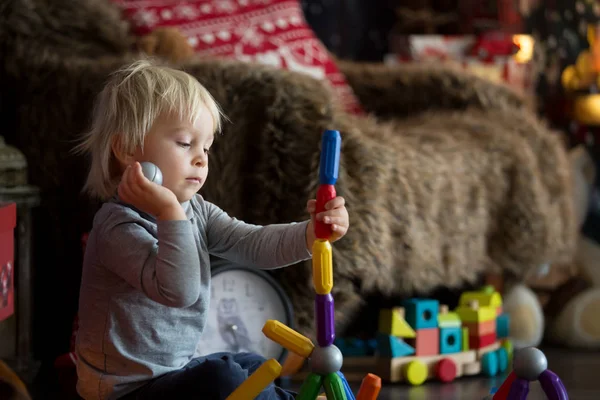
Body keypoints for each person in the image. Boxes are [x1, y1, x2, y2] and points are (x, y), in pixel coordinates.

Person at [73, 59, 349, 400]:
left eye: (206, 147)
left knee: (248, 363)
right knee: (223, 378)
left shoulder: (195, 211)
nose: (202, 159)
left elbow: (251, 243)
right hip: (125, 392)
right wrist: (169, 212)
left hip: (173, 376)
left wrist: (311, 233)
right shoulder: (117, 225)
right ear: (128, 149)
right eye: (186, 143)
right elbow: (180, 290)